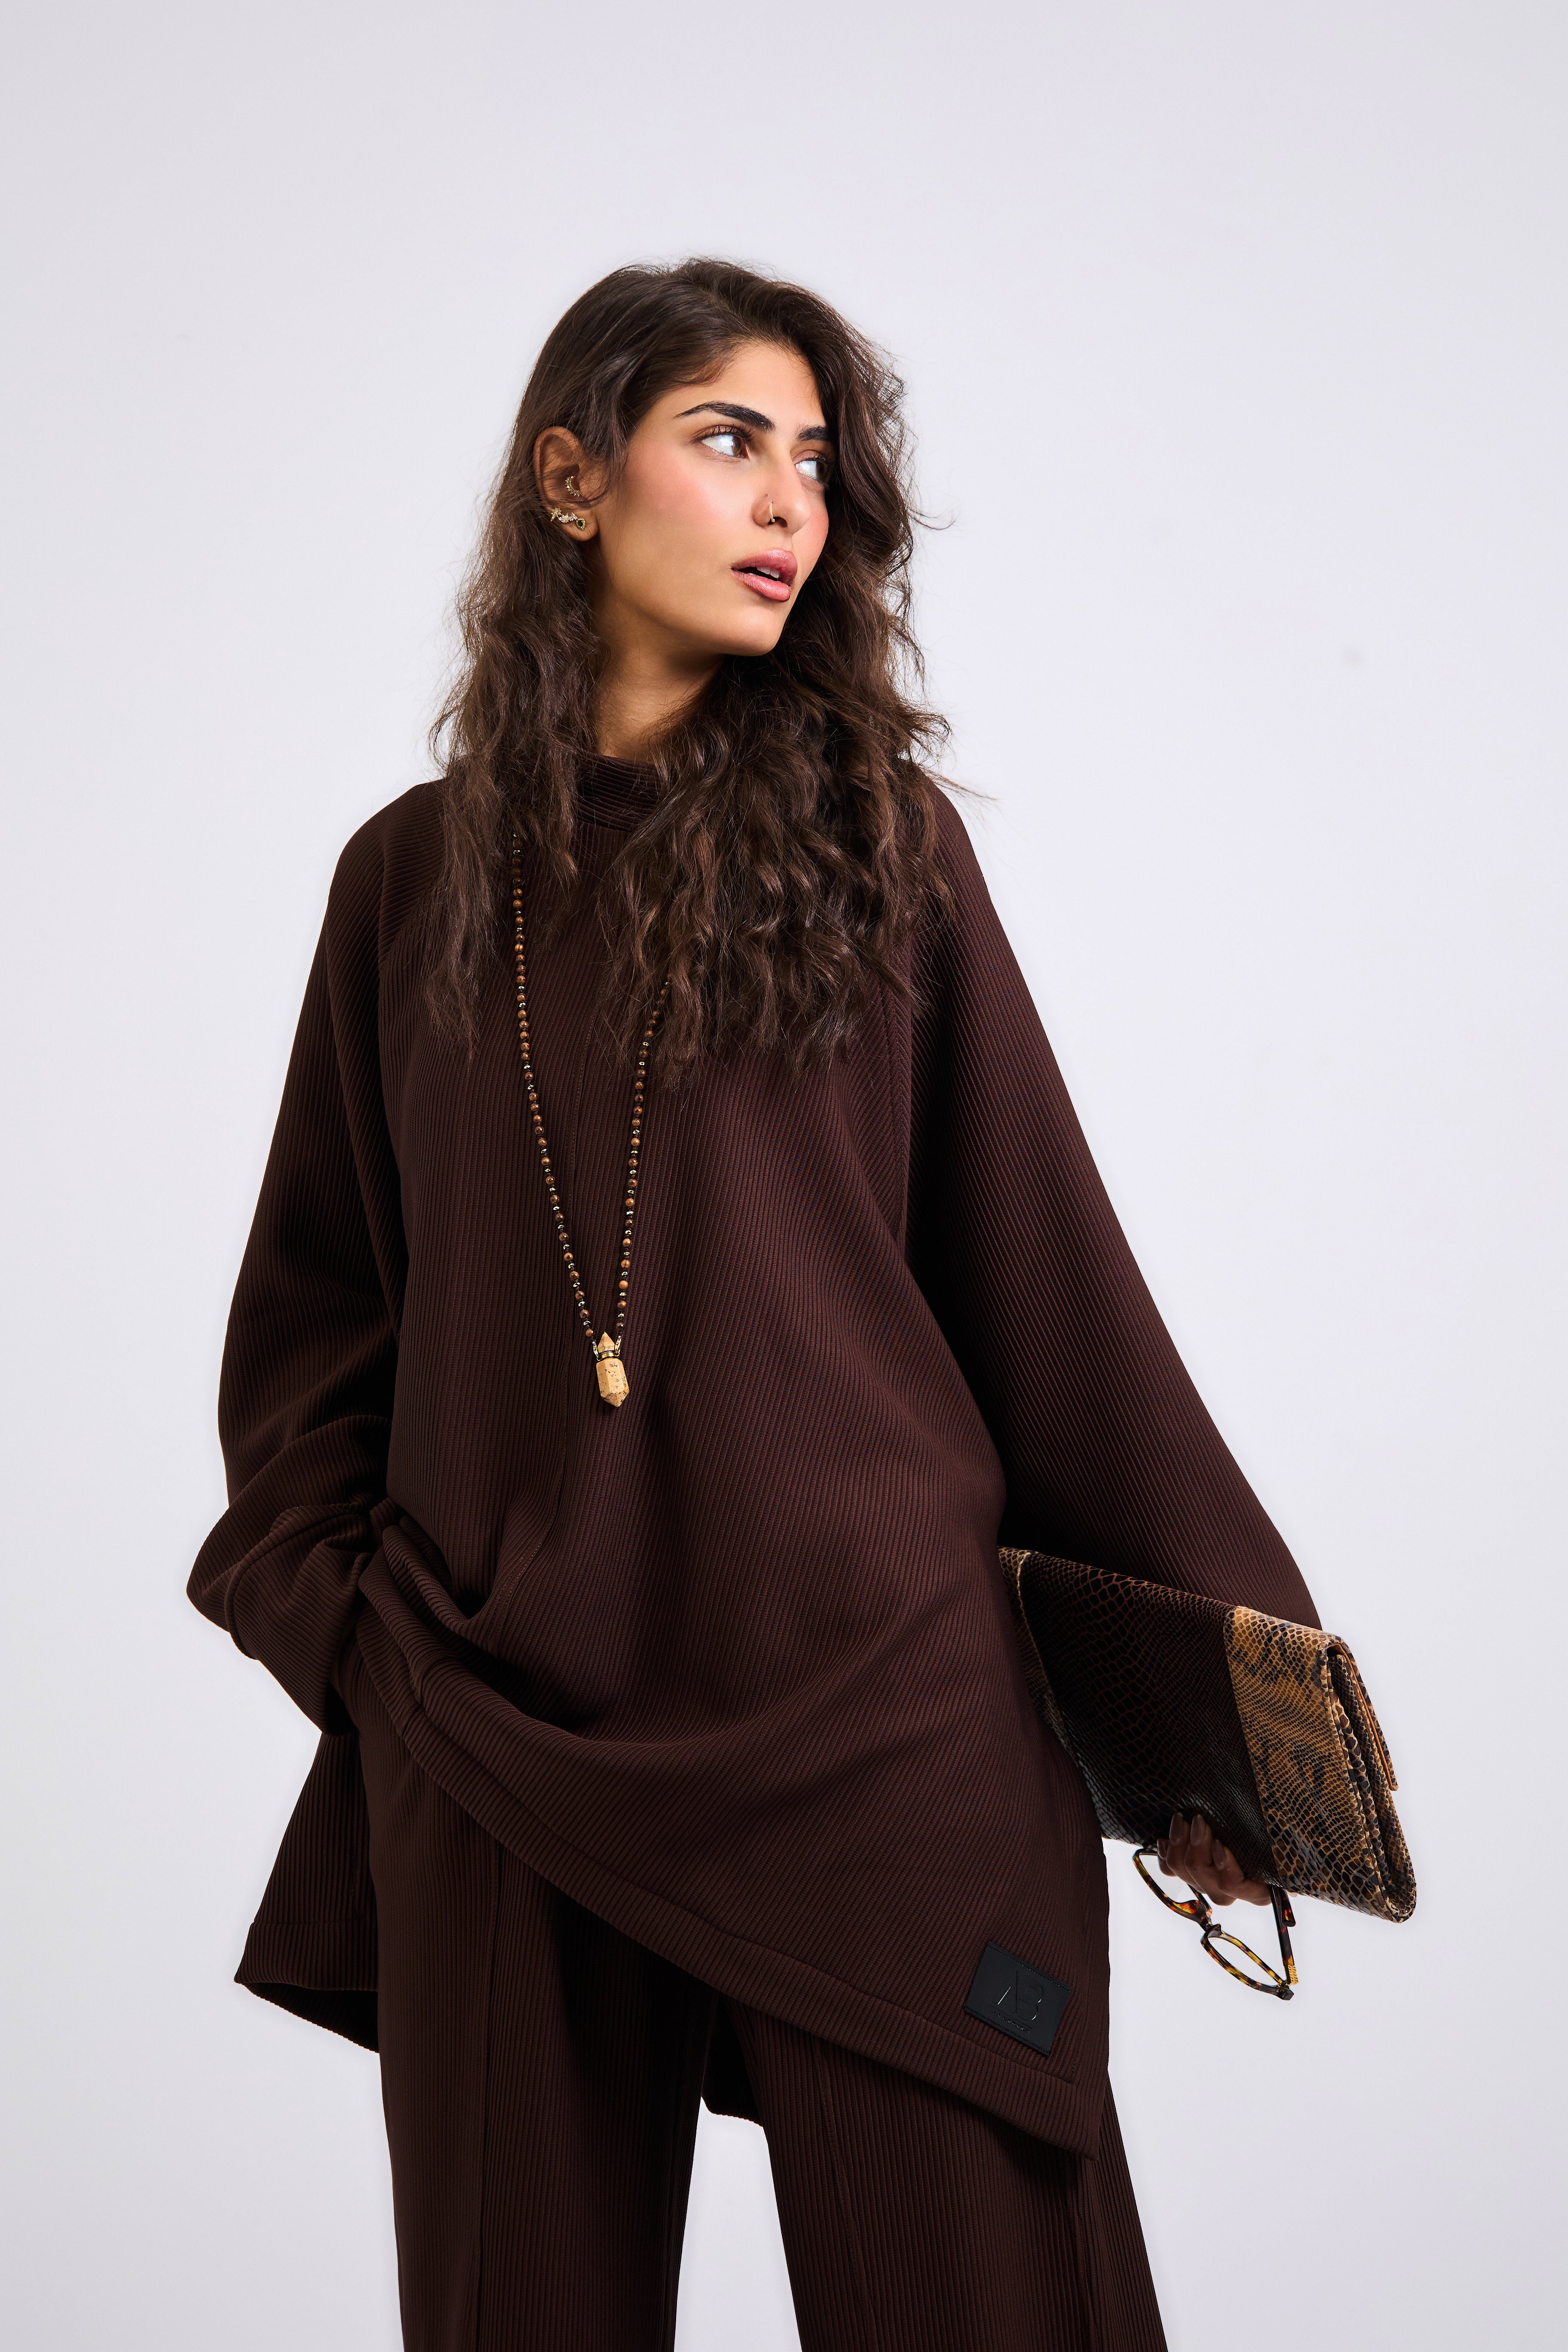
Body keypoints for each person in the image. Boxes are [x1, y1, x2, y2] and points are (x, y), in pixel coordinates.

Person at [189, 258, 1317, 2352]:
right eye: (729, 441)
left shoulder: (883, 850)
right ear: (573, 480)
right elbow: (319, 1317)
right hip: (499, 1728)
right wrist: (358, 1637)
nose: (791, 499)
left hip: (881, 1723)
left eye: (814, 457)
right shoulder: (409, 882)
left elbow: (1046, 1278)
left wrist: (1213, 1726)